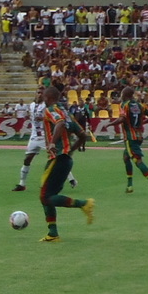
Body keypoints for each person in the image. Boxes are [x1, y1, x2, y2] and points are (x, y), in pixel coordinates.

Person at [36, 84, 96, 242]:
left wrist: (52, 143)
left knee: (45, 197)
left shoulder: (51, 110)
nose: (42, 99)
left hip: (58, 158)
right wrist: (72, 150)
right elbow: (82, 135)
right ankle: (52, 233)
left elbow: (60, 123)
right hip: (65, 159)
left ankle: (83, 204)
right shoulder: (67, 112)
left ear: (48, 98)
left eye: (43, 97)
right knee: (47, 195)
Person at [13, 89, 75, 191]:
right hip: (34, 136)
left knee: (56, 158)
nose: (40, 94)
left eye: (42, 93)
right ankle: (22, 184)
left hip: (45, 136)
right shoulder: (32, 105)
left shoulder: (46, 106)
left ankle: (71, 179)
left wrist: (42, 119)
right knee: (27, 159)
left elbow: (52, 117)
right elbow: (31, 116)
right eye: (38, 92)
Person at [119, 86, 148, 196]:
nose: (121, 96)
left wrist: (110, 123)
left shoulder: (125, 105)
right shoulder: (139, 105)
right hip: (139, 136)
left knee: (137, 161)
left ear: (126, 95)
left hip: (130, 137)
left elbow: (122, 119)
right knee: (126, 157)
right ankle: (129, 185)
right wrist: (143, 123)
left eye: (122, 94)